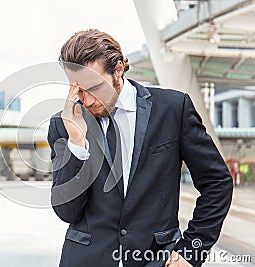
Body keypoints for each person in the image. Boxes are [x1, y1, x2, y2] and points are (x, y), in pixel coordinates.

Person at [47, 29, 233, 267]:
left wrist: (191, 250)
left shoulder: (172, 109)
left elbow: (217, 183)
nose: (88, 100)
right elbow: (67, 213)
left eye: (94, 87)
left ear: (118, 71)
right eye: (78, 90)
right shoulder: (64, 124)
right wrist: (76, 144)